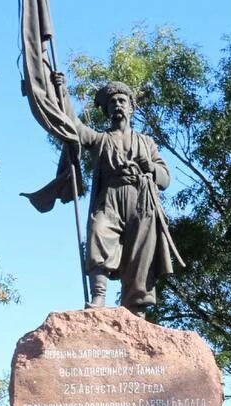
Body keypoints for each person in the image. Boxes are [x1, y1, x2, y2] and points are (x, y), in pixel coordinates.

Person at [26, 80, 180, 313]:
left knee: (140, 254)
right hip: (109, 198)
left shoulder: (146, 142)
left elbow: (165, 180)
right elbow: (74, 126)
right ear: (107, 110)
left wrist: (150, 166)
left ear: (130, 107)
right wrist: (63, 93)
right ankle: (98, 297)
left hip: (141, 200)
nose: (118, 105)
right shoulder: (100, 139)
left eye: (122, 101)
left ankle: (136, 307)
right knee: (98, 232)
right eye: (112, 102)